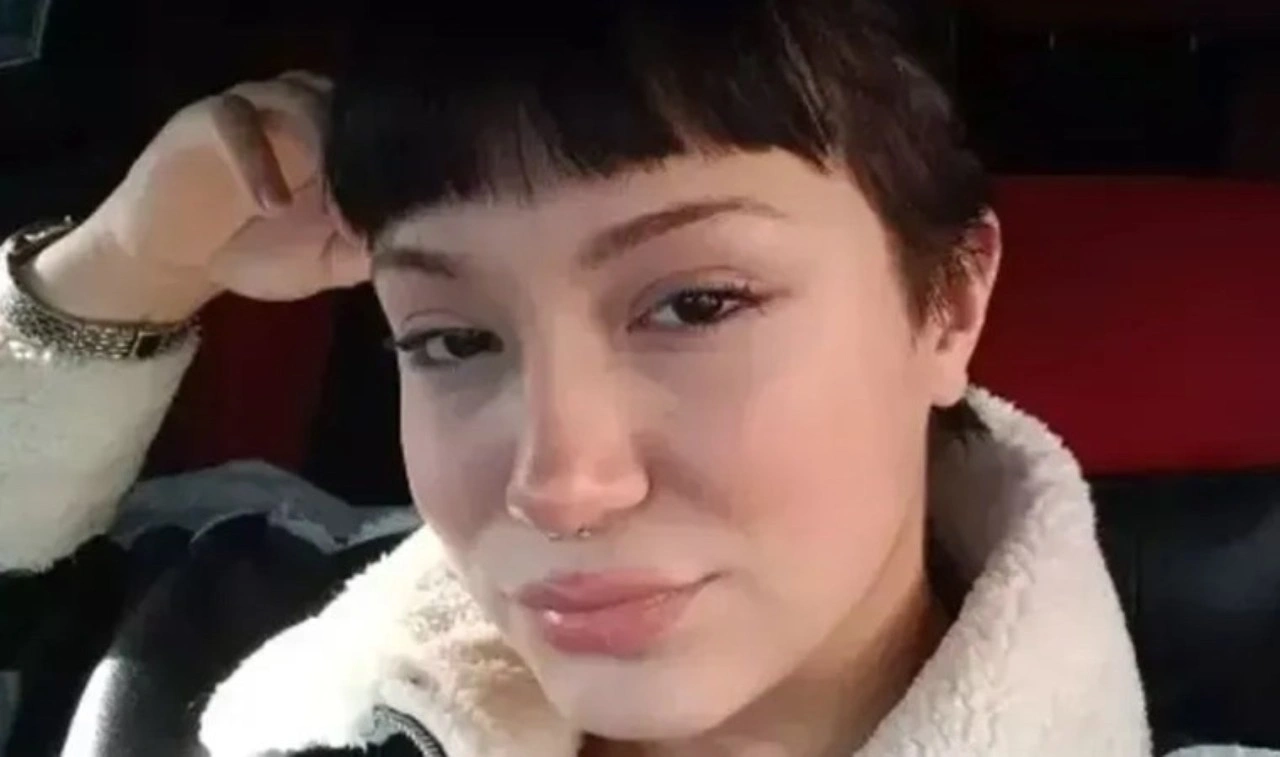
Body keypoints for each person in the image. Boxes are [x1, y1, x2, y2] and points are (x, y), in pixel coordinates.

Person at [0, 2, 1268, 756]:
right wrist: (122, 266)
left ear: (948, 301)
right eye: (450, 339)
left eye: (695, 304)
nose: (560, 486)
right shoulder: (222, 631)